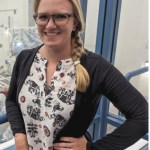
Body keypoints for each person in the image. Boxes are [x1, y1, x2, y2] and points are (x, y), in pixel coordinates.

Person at [6, 0, 148, 149]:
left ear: (75, 22)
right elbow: (12, 100)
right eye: (43, 17)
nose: (50, 25)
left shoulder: (95, 67)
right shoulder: (24, 58)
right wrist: (19, 133)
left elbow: (143, 117)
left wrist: (92, 148)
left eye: (60, 16)